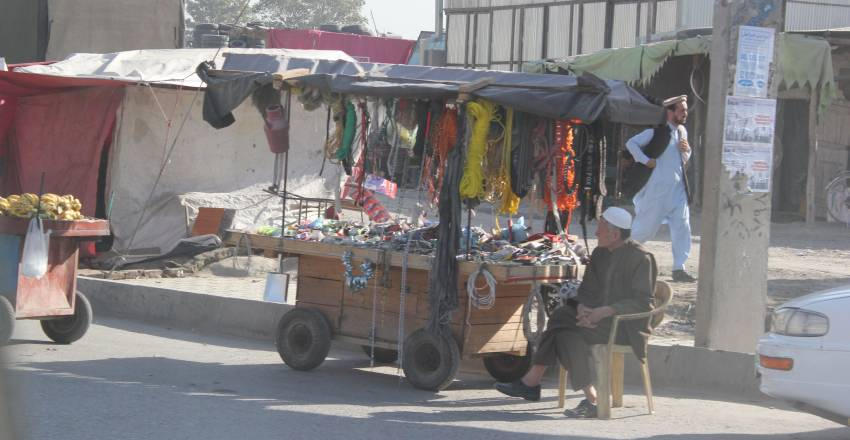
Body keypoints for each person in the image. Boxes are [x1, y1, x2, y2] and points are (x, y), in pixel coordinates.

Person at [495, 207, 658, 418]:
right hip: (595, 320)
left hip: (624, 326)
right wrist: (582, 309)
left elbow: (644, 303)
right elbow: (587, 291)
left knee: (562, 322)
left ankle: (535, 383)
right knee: (565, 327)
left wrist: (606, 311)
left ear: (615, 234)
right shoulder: (600, 254)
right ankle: (591, 399)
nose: (596, 233)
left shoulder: (642, 258)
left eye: (600, 229)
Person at [625, 95, 695, 283]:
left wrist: (687, 150)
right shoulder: (655, 132)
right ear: (669, 112)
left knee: (682, 227)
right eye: (681, 110)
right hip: (657, 191)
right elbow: (630, 144)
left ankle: (679, 268)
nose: (685, 113)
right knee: (644, 230)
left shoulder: (682, 132)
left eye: (685, 109)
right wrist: (645, 160)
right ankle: (622, 257)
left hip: (677, 189)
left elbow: (682, 160)